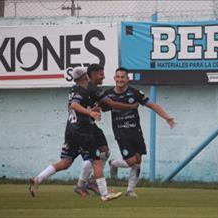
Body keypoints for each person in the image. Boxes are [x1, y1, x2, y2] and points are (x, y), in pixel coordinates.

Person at [29, 67, 122, 202]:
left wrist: (91, 109)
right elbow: (74, 105)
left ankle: (38, 179)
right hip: (83, 131)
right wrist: (90, 113)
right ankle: (105, 193)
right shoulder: (82, 90)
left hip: (71, 131)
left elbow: (77, 105)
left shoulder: (73, 90)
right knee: (96, 161)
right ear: (86, 77)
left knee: (65, 162)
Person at [106, 67, 176, 197]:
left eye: (123, 77)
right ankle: (113, 163)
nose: (120, 79)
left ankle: (130, 190)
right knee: (131, 161)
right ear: (115, 78)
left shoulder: (135, 93)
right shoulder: (108, 95)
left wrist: (167, 117)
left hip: (135, 131)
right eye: (118, 77)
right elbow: (98, 106)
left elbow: (152, 105)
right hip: (121, 132)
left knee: (138, 160)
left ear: (127, 79)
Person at [74, 64, 139, 197]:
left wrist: (95, 109)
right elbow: (111, 104)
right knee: (92, 157)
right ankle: (82, 185)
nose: (103, 76)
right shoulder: (90, 88)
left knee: (104, 152)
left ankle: (91, 182)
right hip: (83, 127)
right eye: (101, 74)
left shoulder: (89, 88)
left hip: (90, 125)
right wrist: (131, 106)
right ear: (92, 75)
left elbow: (98, 105)